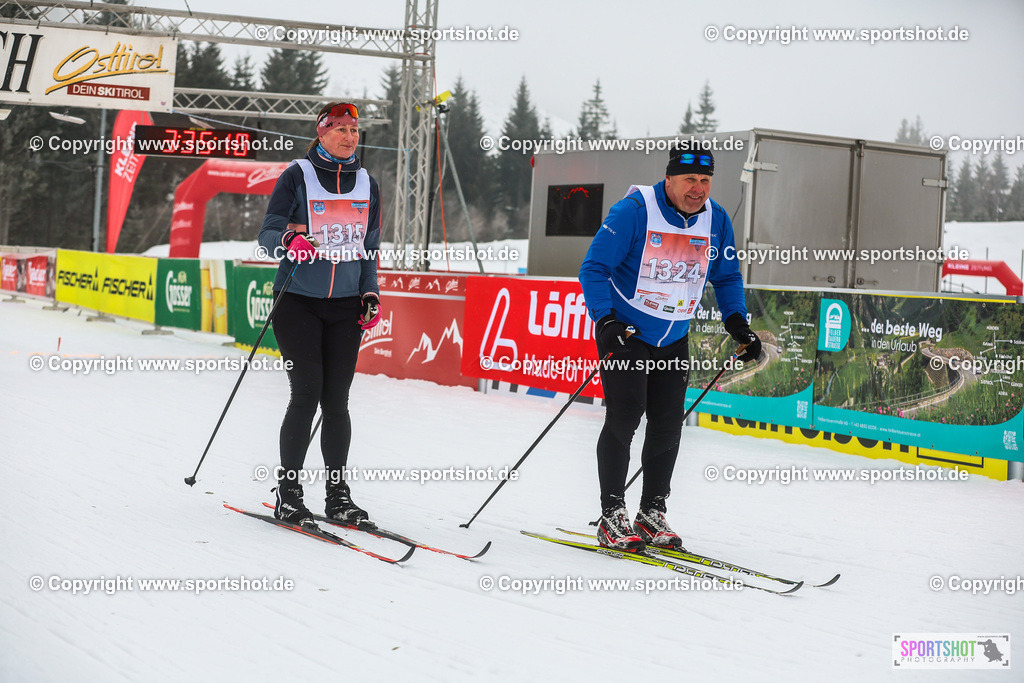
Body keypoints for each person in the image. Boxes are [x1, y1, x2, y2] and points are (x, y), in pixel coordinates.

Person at [578, 146, 761, 551]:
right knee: (625, 418)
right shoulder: (635, 210)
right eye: (689, 180)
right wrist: (605, 320)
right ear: (669, 179)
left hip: (674, 337)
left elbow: (727, 277)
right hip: (628, 335)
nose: (698, 190)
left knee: (667, 424)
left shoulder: (716, 220)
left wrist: (737, 323)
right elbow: (594, 268)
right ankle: (612, 515)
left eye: (705, 181)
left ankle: (651, 511)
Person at [257, 102, 383, 528]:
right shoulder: (298, 175)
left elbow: (369, 247)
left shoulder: (368, 183)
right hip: (298, 301)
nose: (350, 136)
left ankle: (338, 496)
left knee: (337, 402)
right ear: (322, 132)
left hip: (346, 306)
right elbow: (268, 232)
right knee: (306, 394)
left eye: (355, 129)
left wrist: (370, 292)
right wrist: (289, 242)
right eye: (341, 129)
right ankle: (289, 495)